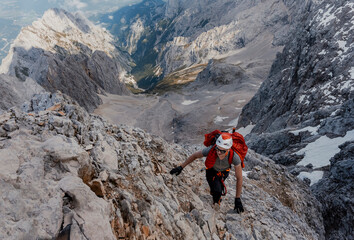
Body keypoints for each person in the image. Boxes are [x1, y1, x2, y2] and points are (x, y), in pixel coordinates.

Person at [170, 133, 244, 213]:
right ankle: (216, 196)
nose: (218, 152)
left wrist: (237, 198)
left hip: (224, 173)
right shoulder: (211, 150)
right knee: (215, 189)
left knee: (217, 190)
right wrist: (181, 167)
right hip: (211, 171)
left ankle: (216, 201)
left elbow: (239, 178)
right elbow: (195, 156)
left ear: (228, 149)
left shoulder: (234, 157)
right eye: (218, 149)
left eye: (222, 151)